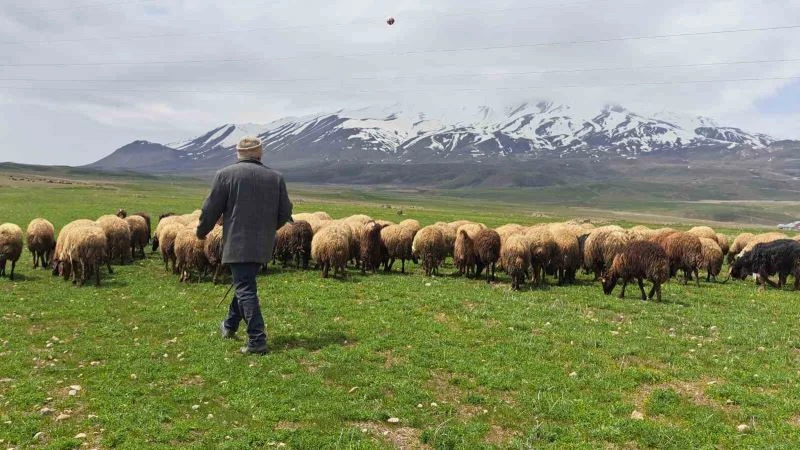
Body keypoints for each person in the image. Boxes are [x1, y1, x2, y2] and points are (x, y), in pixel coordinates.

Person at [196, 136, 293, 355]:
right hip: (263, 244)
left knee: (245, 288)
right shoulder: (275, 177)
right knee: (244, 283)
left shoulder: (225, 175)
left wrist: (202, 232)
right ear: (260, 153)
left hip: (238, 242)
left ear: (238, 154)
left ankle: (257, 340)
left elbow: (210, 209)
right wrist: (268, 228)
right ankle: (229, 325)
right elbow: (285, 212)